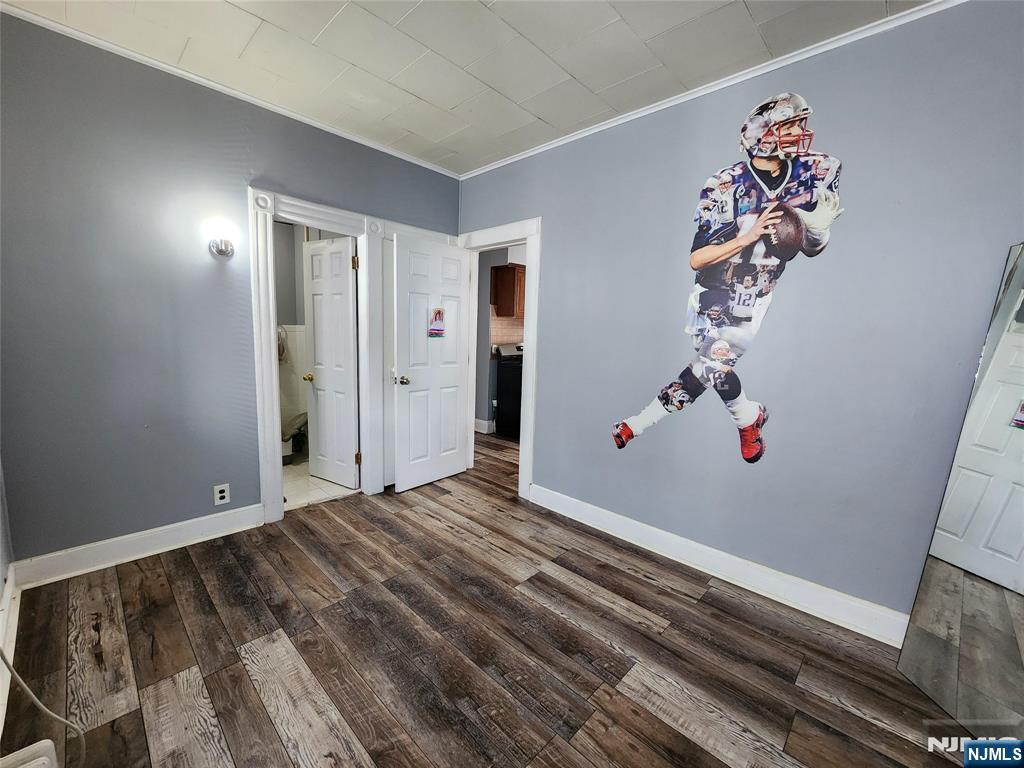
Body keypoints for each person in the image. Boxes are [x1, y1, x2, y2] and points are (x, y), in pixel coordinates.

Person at [612, 92, 843, 462]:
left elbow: (812, 249)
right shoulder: (725, 184)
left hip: (754, 293)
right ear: (763, 133)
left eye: (801, 123)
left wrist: (816, 231)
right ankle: (748, 417)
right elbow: (697, 259)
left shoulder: (814, 173)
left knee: (712, 366)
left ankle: (640, 423)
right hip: (712, 289)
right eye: (791, 125)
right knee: (713, 369)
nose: (801, 132)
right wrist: (747, 237)